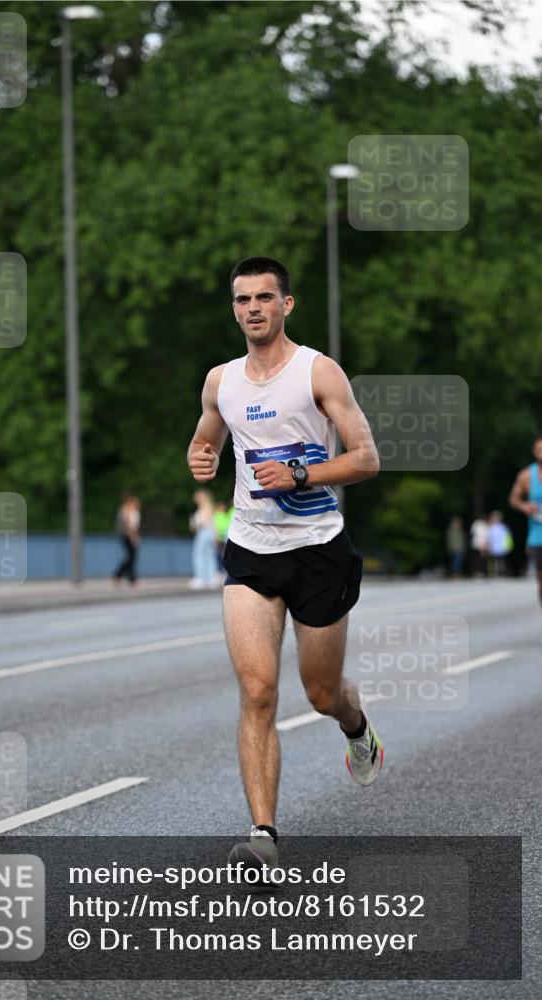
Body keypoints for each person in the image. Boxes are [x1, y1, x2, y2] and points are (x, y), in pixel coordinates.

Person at [187, 256, 381, 871]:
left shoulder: (317, 372)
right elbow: (207, 437)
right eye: (243, 299)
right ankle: (263, 837)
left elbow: (366, 458)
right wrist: (200, 455)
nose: (253, 309)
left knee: (321, 694)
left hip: (318, 549)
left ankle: (355, 725)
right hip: (251, 549)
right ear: (234, 308)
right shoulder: (221, 381)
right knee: (257, 691)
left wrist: (299, 473)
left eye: (264, 297)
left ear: (286, 304)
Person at [509, 432, 542, 605]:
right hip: (537, 537)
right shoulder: (526, 475)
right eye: (538, 450)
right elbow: (513, 499)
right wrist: (524, 506)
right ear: (533, 452)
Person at [189, 489, 218, 589]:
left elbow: (202, 522)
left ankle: (201, 578)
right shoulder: (208, 506)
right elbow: (213, 523)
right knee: (209, 556)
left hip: (203, 533)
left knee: (200, 555)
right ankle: (211, 578)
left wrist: (194, 522)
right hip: (209, 533)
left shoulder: (204, 507)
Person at [112, 493, 141, 585]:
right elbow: (130, 526)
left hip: (125, 535)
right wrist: (133, 537)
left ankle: (126, 577)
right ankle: (121, 575)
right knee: (131, 557)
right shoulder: (129, 511)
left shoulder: (125, 510)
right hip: (128, 535)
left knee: (131, 557)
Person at [486, 510, 512, 578]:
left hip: (502, 547)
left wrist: (508, 546)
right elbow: (489, 538)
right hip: (494, 547)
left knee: (501, 561)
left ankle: (500, 572)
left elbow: (507, 538)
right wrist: (488, 546)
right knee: (495, 561)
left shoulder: (503, 527)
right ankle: (496, 573)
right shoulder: (491, 527)